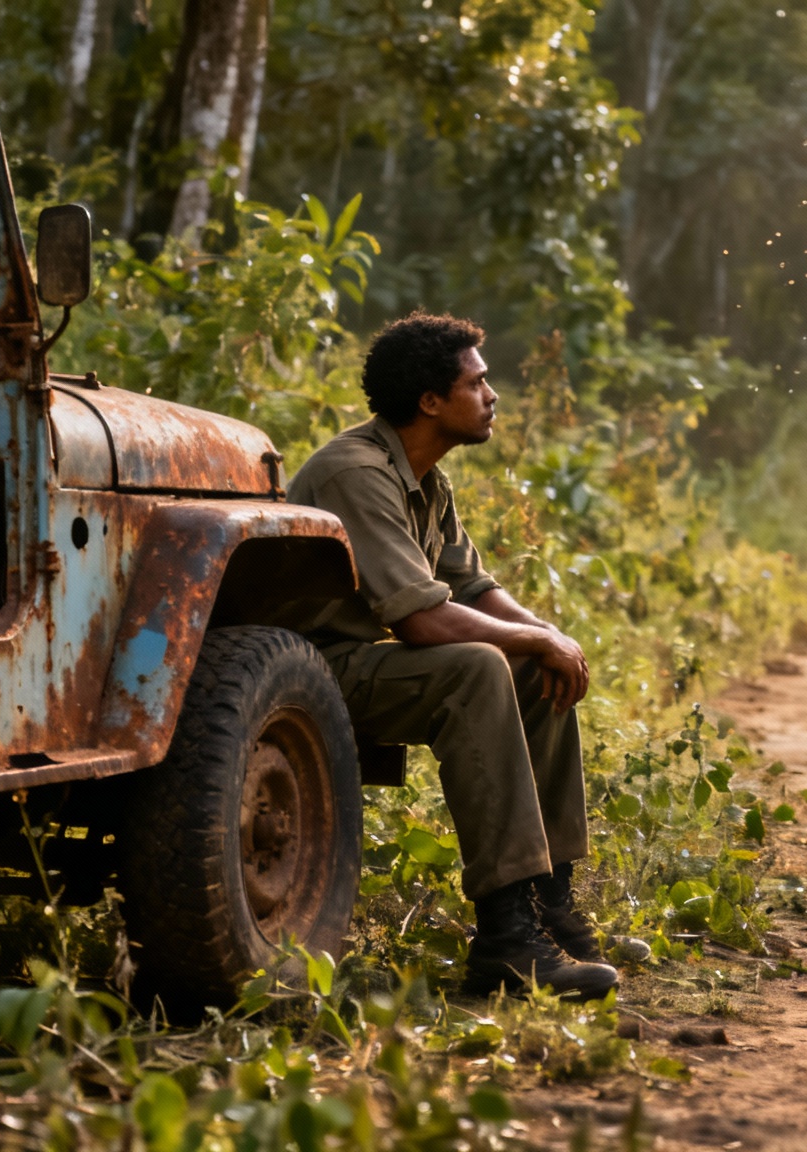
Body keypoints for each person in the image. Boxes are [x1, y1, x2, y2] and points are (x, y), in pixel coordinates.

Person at [286, 312, 619, 1000]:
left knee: (531, 667)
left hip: (357, 664)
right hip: (303, 679)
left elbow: (474, 588)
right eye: (478, 382)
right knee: (477, 666)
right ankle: (506, 938)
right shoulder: (356, 472)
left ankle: (550, 910)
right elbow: (422, 621)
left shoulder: (425, 478)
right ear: (431, 401)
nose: (492, 395)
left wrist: (548, 638)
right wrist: (537, 639)